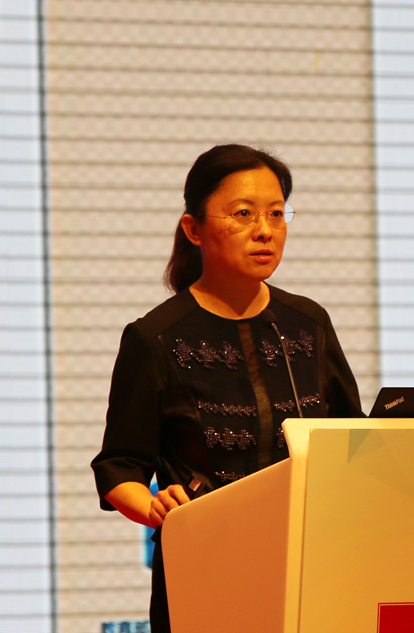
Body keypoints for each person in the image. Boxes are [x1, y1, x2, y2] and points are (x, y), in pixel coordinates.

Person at [90, 144, 364, 631]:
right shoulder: (155, 338)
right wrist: (155, 506)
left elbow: (353, 439)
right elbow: (118, 468)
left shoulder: (308, 323)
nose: (265, 230)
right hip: (206, 570)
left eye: (276, 214)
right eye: (243, 214)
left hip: (310, 568)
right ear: (193, 229)